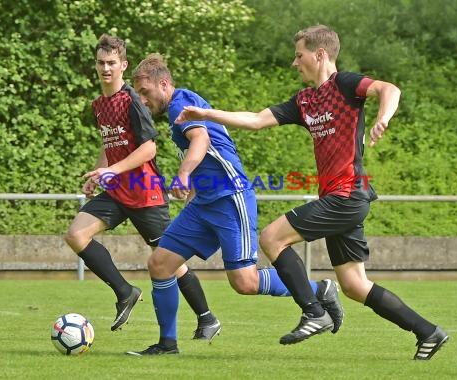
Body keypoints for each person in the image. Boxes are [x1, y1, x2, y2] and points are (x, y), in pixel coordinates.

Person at [175, 25, 449, 360]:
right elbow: (256, 120)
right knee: (354, 285)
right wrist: (206, 113)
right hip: (340, 198)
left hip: (348, 193)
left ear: (319, 54)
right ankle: (429, 332)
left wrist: (383, 118)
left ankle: (313, 311)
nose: (295, 62)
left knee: (273, 238)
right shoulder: (305, 101)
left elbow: (389, 89)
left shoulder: (345, 85)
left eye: (299, 54)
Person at [125, 53, 344, 356]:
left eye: (145, 92)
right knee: (160, 264)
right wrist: (192, 190)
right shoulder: (183, 103)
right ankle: (167, 344)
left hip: (230, 198)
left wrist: (184, 174)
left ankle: (319, 290)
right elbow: (204, 149)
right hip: (204, 204)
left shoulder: (179, 103)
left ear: (164, 84)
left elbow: (200, 140)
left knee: (245, 282)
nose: (142, 99)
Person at [64, 34, 221, 341]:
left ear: (123, 65)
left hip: (144, 191)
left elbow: (148, 150)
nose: (105, 68)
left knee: (170, 261)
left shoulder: (132, 100)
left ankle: (207, 318)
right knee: (76, 234)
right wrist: (99, 174)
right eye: (100, 63)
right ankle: (125, 291)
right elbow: (110, 144)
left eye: (112, 63)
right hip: (116, 189)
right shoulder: (100, 104)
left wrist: (111, 170)